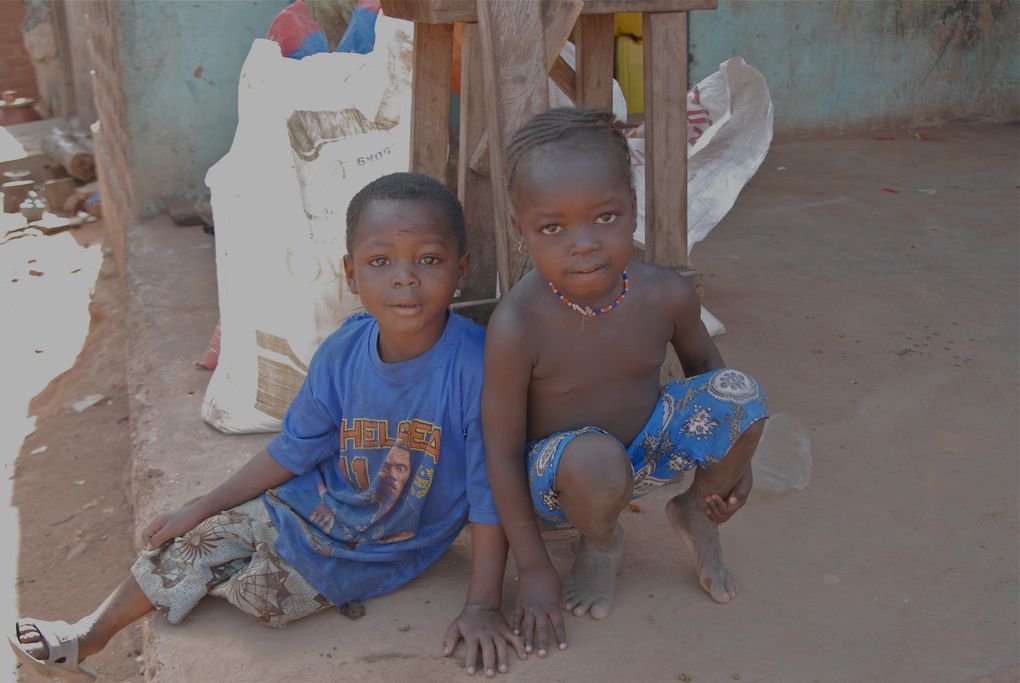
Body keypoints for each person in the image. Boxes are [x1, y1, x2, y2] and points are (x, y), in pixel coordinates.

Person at [10, 172, 524, 681]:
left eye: (428, 260)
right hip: (314, 502)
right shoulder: (342, 351)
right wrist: (205, 504)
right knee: (198, 539)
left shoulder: (477, 368)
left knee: (266, 600)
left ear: (461, 269)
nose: (405, 277)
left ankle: (234, 572)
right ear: (350, 273)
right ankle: (87, 634)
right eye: (380, 261)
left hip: (389, 542)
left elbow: (489, 494)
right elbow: (295, 449)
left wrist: (482, 603)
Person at [482, 108, 769, 657]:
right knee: (594, 459)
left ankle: (696, 513)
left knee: (742, 395)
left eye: (605, 217)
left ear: (633, 210)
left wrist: (736, 468)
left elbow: (714, 379)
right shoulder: (517, 325)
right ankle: (599, 541)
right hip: (564, 479)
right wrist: (533, 565)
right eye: (552, 228)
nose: (583, 243)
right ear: (522, 231)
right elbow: (497, 453)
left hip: (646, 449)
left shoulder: (666, 294)